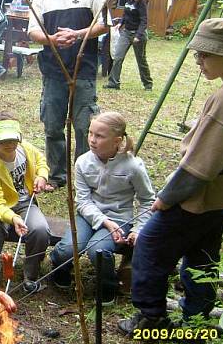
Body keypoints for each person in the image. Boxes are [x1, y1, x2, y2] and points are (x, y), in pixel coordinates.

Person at [118, 18, 223, 343]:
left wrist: (167, 198)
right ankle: (196, 326)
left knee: (150, 248)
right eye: (197, 54)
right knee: (202, 258)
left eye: (206, 55)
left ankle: (152, 319)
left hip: (200, 195)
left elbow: (202, 164)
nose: (199, 61)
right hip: (222, 195)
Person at [27, 0, 108, 190]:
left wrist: (78, 34)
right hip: (53, 71)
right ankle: (57, 175)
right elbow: (32, 32)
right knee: (52, 124)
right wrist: (51, 39)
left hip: (82, 69)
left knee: (84, 126)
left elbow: (104, 24)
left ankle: (83, 177)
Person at [50, 112, 155, 304]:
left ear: (116, 141)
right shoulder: (83, 161)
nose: (92, 139)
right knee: (67, 249)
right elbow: (82, 201)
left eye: (99, 136)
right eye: (90, 133)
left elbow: (148, 200)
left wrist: (138, 229)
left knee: (98, 251)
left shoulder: (133, 166)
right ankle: (60, 271)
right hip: (88, 216)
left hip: (120, 218)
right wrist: (104, 222)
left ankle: (107, 288)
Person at [0, 112, 50, 295]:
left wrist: (41, 176)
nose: (10, 145)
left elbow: (41, 160)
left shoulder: (24, 149)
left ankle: (31, 276)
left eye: (14, 139)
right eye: (4, 141)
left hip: (26, 202)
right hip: (0, 207)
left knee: (40, 229)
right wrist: (13, 218)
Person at [105, 0, 153, 91]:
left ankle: (148, 84)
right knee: (118, 57)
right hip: (126, 33)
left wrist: (138, 35)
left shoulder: (141, 1)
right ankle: (113, 83)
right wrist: (120, 23)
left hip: (138, 34)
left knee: (141, 60)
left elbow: (144, 20)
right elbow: (126, 15)